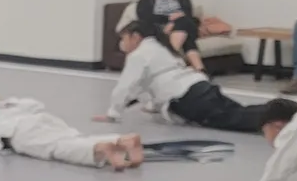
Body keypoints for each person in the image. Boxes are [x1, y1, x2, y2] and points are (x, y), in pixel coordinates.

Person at [100, 22, 265, 133]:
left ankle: (279, 117)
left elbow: (126, 86)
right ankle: (279, 113)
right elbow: (148, 85)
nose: (122, 44)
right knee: (239, 111)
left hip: (188, 98)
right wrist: (153, 105)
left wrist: (113, 113)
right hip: (199, 85)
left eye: (123, 38)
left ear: (135, 36)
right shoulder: (160, 46)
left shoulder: (138, 55)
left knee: (237, 120)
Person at [0, 97, 143, 170]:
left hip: (17, 132)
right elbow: (37, 104)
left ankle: (99, 148)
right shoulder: (13, 104)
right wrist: (3, 102)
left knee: (56, 148)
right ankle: (121, 140)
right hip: (41, 119)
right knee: (72, 138)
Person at [135, 0, 203, 70]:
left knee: (184, 22)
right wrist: (169, 19)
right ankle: (200, 69)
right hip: (158, 28)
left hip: (179, 26)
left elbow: (188, 13)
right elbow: (145, 17)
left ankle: (169, 59)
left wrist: (173, 23)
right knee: (187, 38)